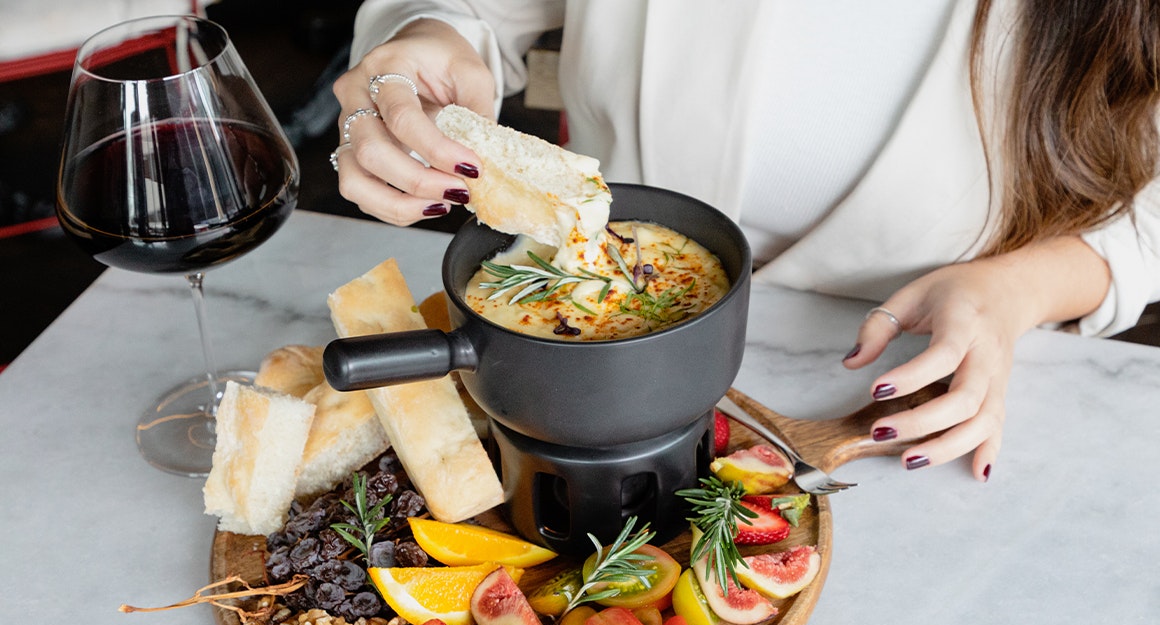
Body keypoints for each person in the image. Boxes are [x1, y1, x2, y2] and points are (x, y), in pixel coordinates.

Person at [329, 0, 1160, 482]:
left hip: (909, 389)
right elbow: (471, 10)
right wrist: (423, 49)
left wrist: (1016, 288)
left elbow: (1146, 218)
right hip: (579, 357)